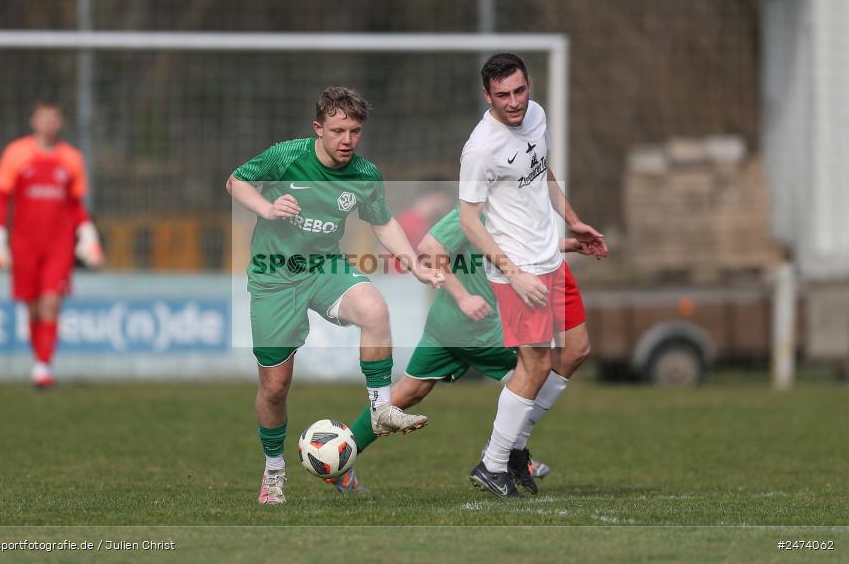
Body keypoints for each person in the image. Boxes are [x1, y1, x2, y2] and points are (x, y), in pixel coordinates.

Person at [226, 86, 444, 506]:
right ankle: (274, 471)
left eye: (355, 131)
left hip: (326, 267)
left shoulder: (365, 174)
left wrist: (414, 263)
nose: (347, 139)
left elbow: (383, 224)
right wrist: (267, 209)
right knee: (275, 387)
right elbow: (235, 182)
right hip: (275, 277)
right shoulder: (287, 155)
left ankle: (381, 409)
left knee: (375, 310)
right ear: (318, 128)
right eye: (338, 130)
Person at [327, 205, 598, 493]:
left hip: (448, 323)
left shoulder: (506, 206)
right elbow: (429, 247)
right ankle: (500, 455)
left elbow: (505, 248)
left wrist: (564, 245)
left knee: (409, 392)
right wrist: (464, 296)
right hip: (475, 326)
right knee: (539, 368)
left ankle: (338, 457)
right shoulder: (478, 205)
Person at [458, 53, 607, 498]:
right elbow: (468, 220)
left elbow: (543, 174)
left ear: (529, 85)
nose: (514, 102)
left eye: (519, 91)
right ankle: (493, 462)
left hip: (550, 261)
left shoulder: (537, 116)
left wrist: (573, 222)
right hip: (517, 272)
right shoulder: (481, 148)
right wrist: (512, 272)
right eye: (502, 95)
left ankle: (514, 446)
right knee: (536, 363)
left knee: (576, 350)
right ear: (487, 95)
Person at [0, 100, 105, 389]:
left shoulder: (71, 157)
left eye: (54, 119)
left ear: (60, 123)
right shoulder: (16, 153)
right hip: (24, 241)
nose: (48, 124)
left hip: (58, 243)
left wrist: (88, 234)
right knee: (34, 305)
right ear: (33, 121)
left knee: (51, 302)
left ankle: (43, 366)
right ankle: (39, 360)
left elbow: (75, 204)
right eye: (43, 118)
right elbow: (2, 197)